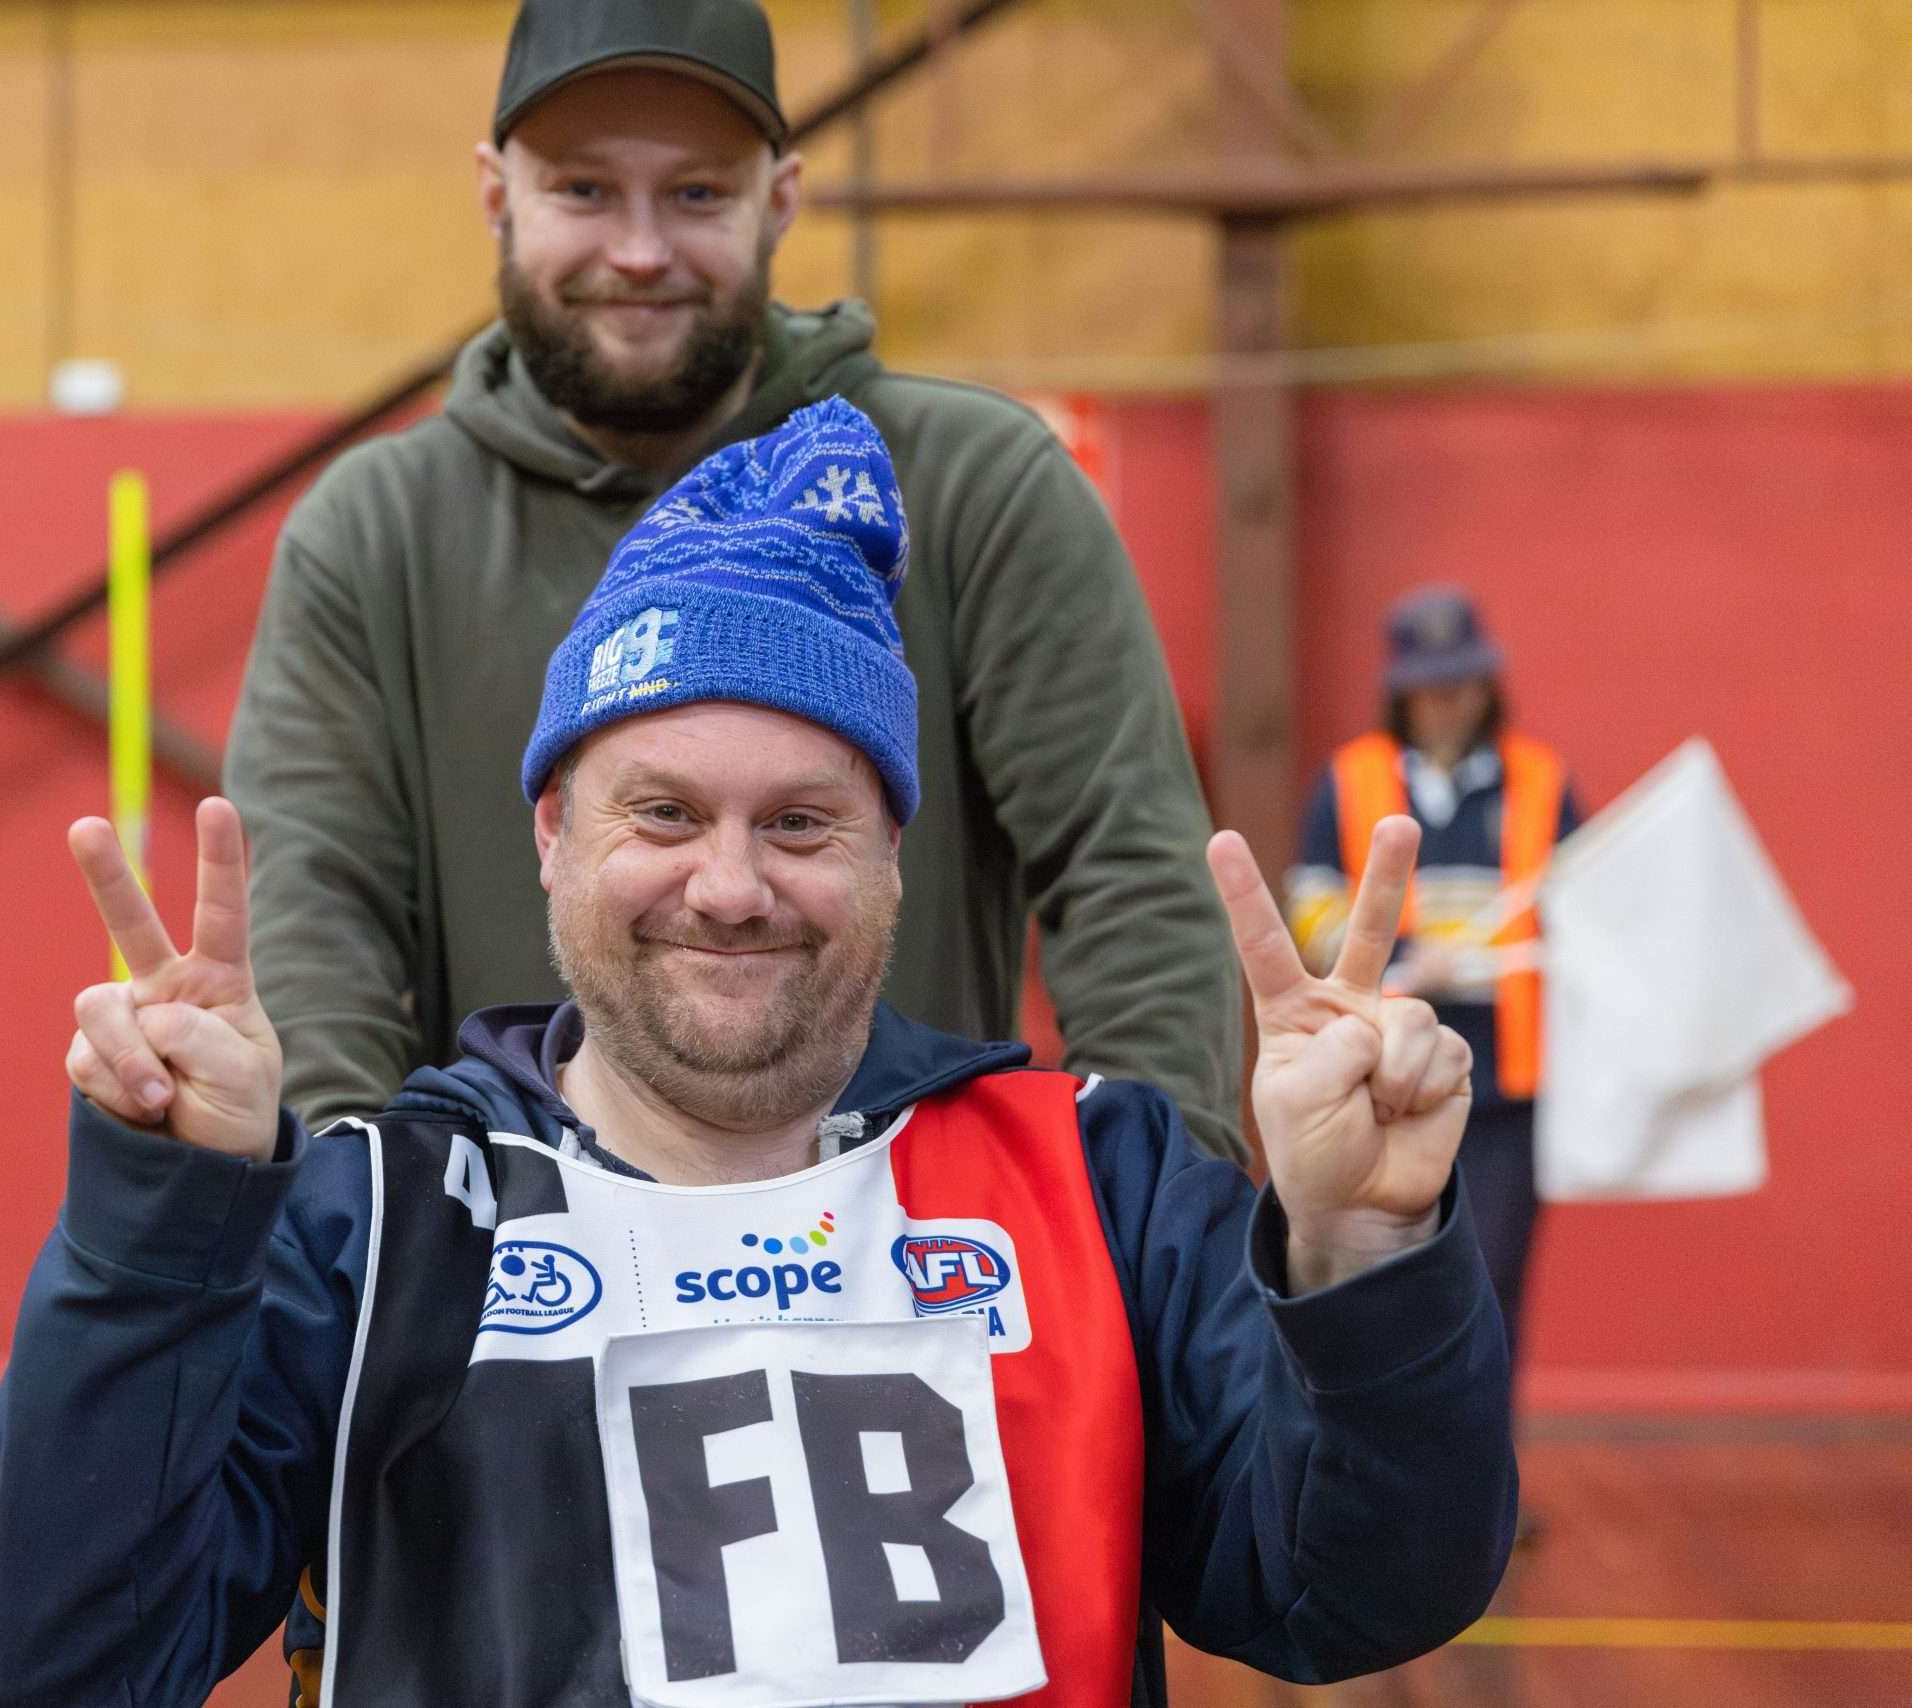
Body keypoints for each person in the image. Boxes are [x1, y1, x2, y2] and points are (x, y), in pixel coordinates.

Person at [0, 403, 1515, 1708]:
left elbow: (1354, 1598)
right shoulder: (382, 1219)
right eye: (665, 813)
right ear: (552, 835)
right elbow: (63, 1657)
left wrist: (1366, 1252)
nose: (732, 885)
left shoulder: (1101, 1181)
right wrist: (163, 1221)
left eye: (803, 823)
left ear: (891, 855)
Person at [223, 0, 1248, 1164]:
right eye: (583, 190)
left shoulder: (977, 485)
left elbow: (1128, 879)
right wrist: (355, 1218)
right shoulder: (373, 534)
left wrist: (1155, 1211)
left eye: (698, 193)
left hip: (922, 1245)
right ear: (497, 195)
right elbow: (315, 928)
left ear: (781, 199)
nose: (640, 251)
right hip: (506, 1253)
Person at [1286, 586, 1580, 1379]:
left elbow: (1584, 909)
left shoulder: (1541, 780)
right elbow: (1312, 904)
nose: (1447, 704)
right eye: (1430, 688)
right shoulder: (1350, 778)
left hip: (1508, 1079)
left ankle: (1488, 1454)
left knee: (1494, 1281)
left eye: (1460, 684)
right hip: (1386, 1072)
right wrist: (1407, 955)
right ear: (1403, 694)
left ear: (1486, 685)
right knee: (1386, 1282)